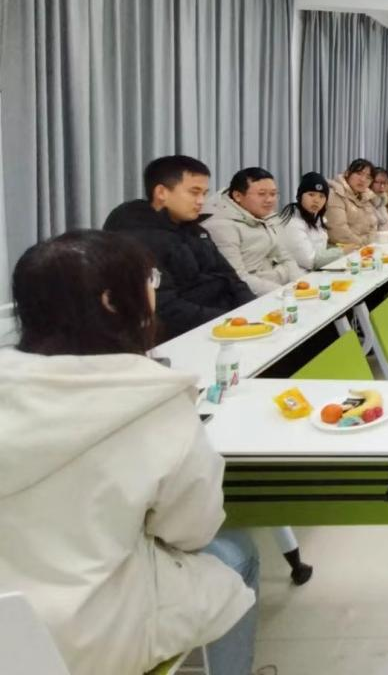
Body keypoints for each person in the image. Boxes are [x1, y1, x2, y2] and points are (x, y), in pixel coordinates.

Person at [0, 231, 259, 675]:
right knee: (237, 555)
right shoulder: (152, 400)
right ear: (112, 301)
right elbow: (192, 530)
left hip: (10, 629)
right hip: (86, 635)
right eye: (150, 280)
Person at [103, 155, 253, 341]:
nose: (201, 201)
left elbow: (231, 277)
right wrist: (231, 320)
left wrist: (254, 309)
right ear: (161, 192)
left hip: (224, 323)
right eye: (194, 192)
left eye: (204, 193)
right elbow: (165, 308)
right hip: (187, 337)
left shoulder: (196, 230)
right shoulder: (136, 238)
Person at [203, 166, 303, 295]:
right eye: (261, 194)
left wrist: (301, 284)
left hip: (280, 289)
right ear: (238, 196)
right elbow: (237, 278)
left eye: (273, 194)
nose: (269, 200)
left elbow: (286, 258)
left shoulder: (267, 217)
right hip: (252, 297)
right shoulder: (221, 225)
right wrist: (284, 293)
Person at [279, 172, 344, 270]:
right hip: (297, 275)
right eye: (311, 194)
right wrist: (342, 251)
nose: (316, 200)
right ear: (300, 196)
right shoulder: (292, 222)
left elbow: (320, 250)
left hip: (314, 273)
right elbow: (310, 261)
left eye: (321, 196)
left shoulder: (317, 219)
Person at [325, 158, 379, 245]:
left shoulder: (366, 197)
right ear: (347, 173)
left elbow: (373, 226)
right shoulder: (335, 194)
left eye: (368, 177)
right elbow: (338, 231)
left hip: (363, 248)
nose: (363, 180)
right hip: (339, 249)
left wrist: (367, 243)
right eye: (359, 174)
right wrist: (362, 244)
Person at [370, 166, 388, 231]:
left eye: (385, 183)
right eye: (378, 182)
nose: (382, 186)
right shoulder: (366, 202)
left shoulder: (381, 201)